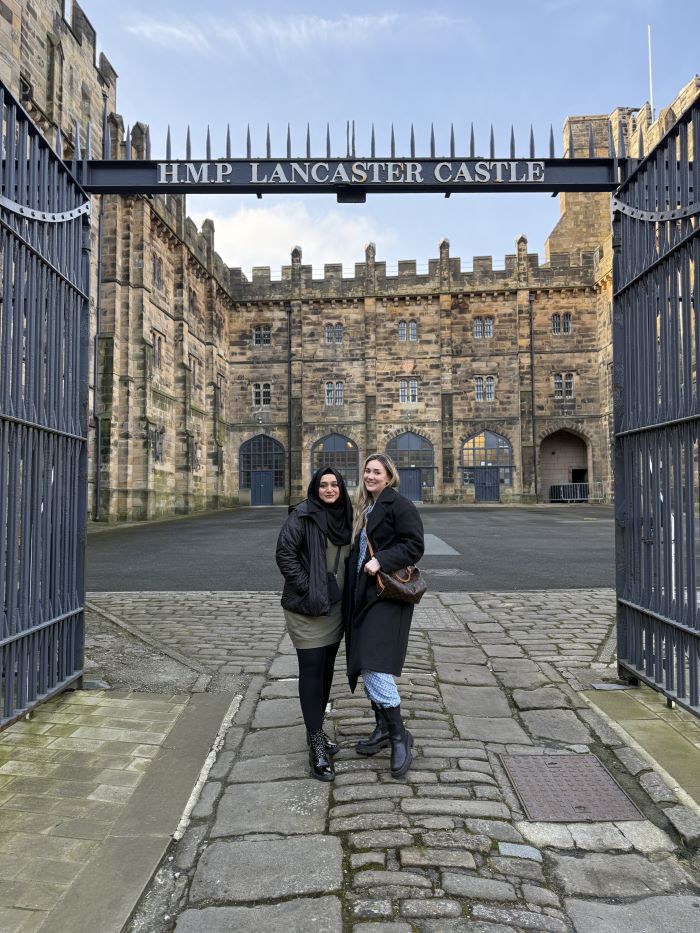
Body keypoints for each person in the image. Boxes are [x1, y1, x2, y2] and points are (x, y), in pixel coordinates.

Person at [345, 453, 425, 778]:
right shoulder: (366, 508)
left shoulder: (399, 505)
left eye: (377, 472)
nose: (371, 476)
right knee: (365, 663)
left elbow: (414, 545)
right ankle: (381, 728)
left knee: (375, 664)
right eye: (367, 471)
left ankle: (399, 735)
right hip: (363, 595)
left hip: (387, 595)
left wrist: (383, 560)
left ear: (390, 476)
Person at [276, 466, 353, 781]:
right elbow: (285, 555)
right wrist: (309, 587)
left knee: (325, 672)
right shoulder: (302, 515)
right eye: (324, 485)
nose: (330, 489)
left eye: (335, 484)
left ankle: (316, 731)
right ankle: (315, 743)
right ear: (315, 488)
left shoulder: (347, 518)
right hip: (307, 609)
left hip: (335, 609)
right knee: (311, 669)